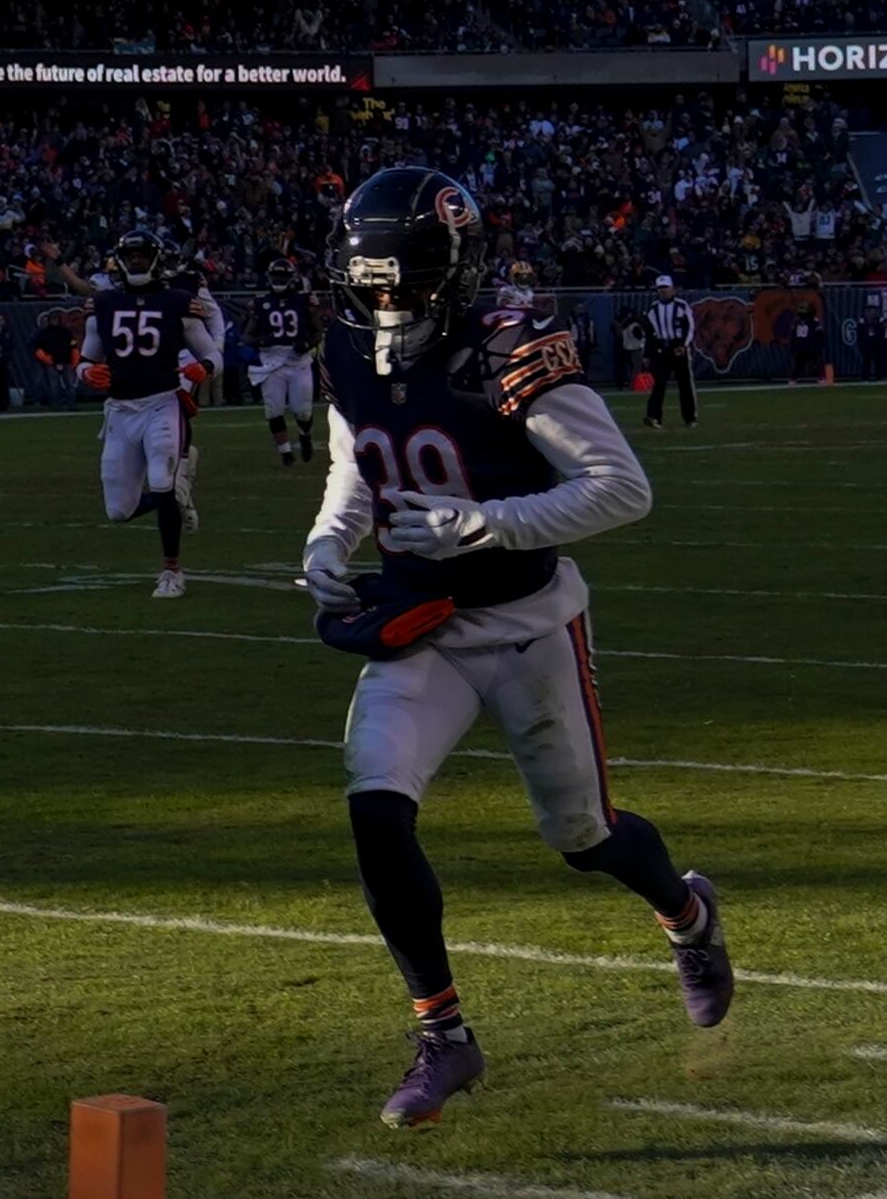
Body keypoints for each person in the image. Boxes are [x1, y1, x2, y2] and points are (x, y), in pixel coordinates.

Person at [300, 167, 730, 1130]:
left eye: (405, 282)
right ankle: (443, 1034)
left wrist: (485, 522)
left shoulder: (508, 347)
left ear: (452, 271)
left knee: (583, 836)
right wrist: (328, 543)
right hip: (420, 620)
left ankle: (688, 915)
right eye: (370, 284)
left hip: (528, 620)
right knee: (375, 804)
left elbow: (621, 488)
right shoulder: (351, 346)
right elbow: (355, 465)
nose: (385, 304)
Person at [81, 231, 218, 598]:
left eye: (143, 255)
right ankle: (179, 491)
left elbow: (213, 354)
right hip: (120, 410)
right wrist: (85, 372)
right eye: (131, 255)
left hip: (162, 402)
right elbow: (87, 357)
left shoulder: (178, 301)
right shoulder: (103, 303)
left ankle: (172, 571)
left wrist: (204, 367)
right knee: (118, 511)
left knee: (160, 479)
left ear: (156, 259)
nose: (137, 261)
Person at [248, 256, 320, 466]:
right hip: (271, 362)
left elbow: (318, 332)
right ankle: (286, 452)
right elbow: (247, 335)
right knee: (273, 410)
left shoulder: (304, 301)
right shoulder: (260, 303)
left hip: (299, 361)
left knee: (303, 412)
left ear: (291, 278)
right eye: (276, 276)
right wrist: (260, 341)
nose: (279, 280)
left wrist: (307, 344)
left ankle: (305, 435)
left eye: (283, 276)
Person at [640, 278, 697, 429]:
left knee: (685, 384)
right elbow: (649, 334)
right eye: (660, 287)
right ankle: (653, 416)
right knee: (658, 384)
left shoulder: (681, 306)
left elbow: (690, 327)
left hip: (678, 347)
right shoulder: (653, 309)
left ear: (672, 289)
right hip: (661, 348)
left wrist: (683, 345)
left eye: (666, 287)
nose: (663, 290)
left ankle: (690, 418)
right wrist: (646, 354)